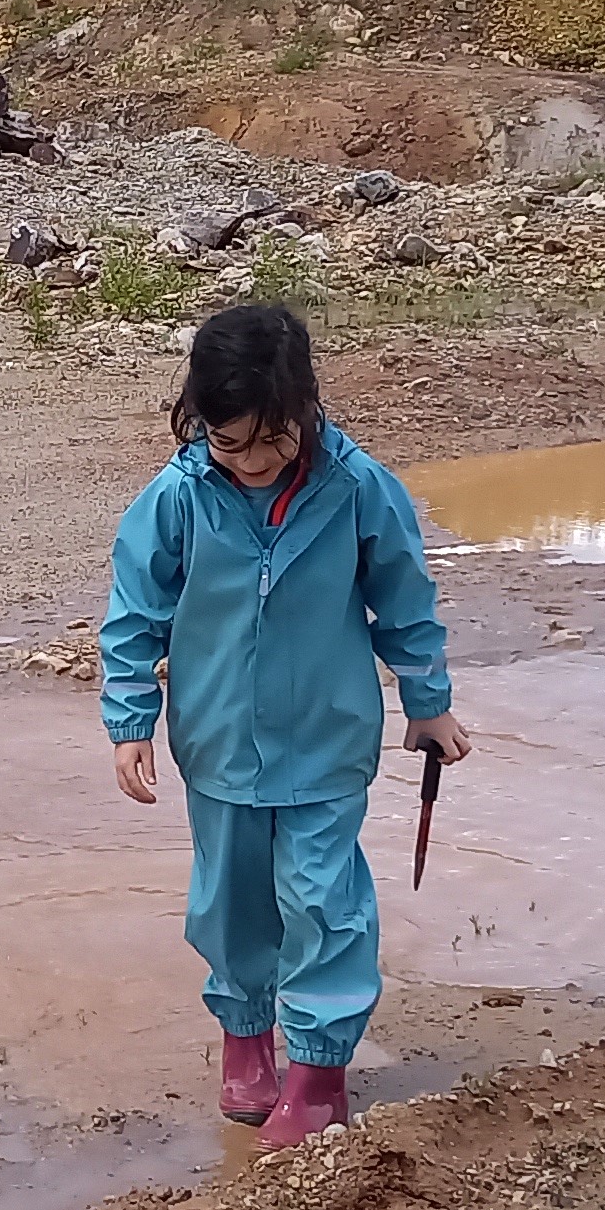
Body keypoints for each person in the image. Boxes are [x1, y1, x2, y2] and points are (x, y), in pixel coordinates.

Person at [101, 303, 467, 1149]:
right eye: (229, 444)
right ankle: (246, 1042)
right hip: (218, 743)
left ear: (305, 405)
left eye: (273, 439)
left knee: (322, 903)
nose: (255, 462)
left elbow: (405, 603)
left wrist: (428, 702)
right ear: (196, 421)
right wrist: (129, 720)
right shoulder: (177, 498)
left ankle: (316, 1077)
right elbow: (133, 615)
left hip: (327, 741)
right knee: (229, 904)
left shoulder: (358, 488)